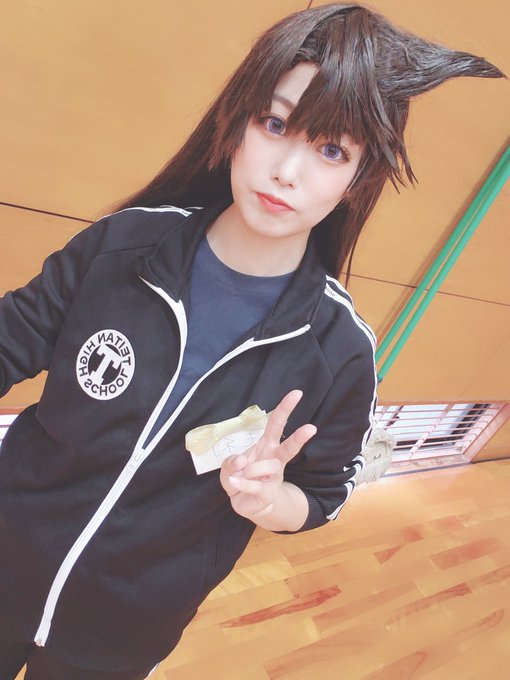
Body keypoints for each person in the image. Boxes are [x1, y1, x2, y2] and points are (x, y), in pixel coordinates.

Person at [0, 3, 505, 678]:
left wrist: (271, 502)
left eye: (332, 150)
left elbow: (323, 493)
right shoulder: (123, 246)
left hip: (126, 628)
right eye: (275, 123)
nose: (288, 169)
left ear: (357, 181)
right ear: (238, 121)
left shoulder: (340, 351)